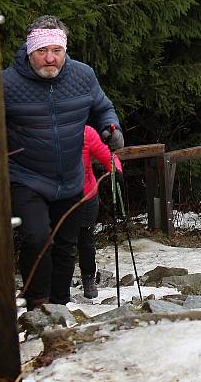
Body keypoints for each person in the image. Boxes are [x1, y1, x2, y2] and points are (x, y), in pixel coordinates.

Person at [4, 15, 122, 309]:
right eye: (42, 51)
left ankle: (59, 306)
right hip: (25, 175)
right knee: (36, 238)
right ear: (29, 51)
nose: (50, 58)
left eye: (56, 51)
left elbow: (103, 107)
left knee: (66, 246)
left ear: (64, 50)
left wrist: (112, 129)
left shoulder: (83, 76)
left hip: (70, 177)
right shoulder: (6, 83)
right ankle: (37, 305)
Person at [78, 125, 123, 299]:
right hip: (60, 198)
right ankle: (59, 290)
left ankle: (88, 278)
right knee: (62, 243)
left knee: (85, 240)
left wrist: (116, 169)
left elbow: (108, 155)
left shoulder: (86, 133)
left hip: (87, 195)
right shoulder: (49, 132)